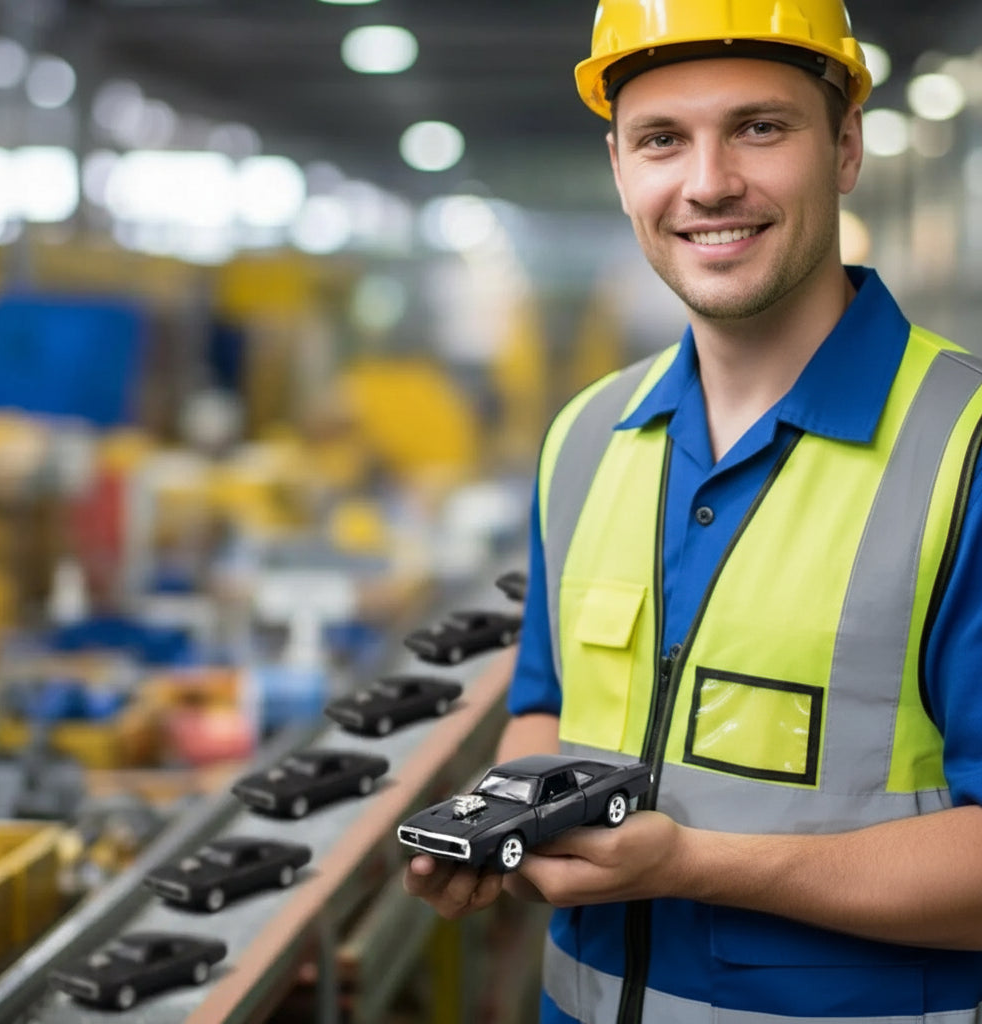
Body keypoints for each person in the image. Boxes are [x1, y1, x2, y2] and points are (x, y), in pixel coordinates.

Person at [404, 0, 982, 1021]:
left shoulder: (964, 447)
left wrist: (694, 863)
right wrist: (515, 822)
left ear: (843, 146)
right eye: (661, 139)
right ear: (620, 168)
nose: (708, 182)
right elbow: (543, 704)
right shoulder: (586, 435)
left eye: (759, 126)